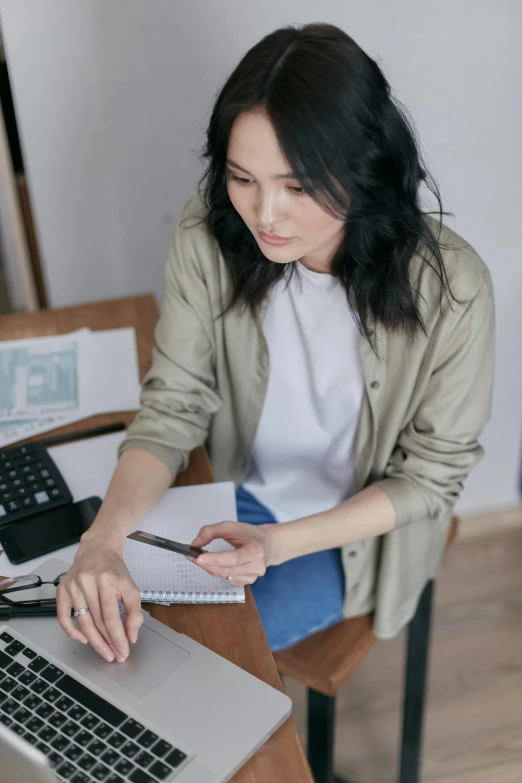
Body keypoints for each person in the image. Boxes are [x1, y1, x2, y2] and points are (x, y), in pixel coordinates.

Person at [57, 22, 495, 664]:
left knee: (189, 665)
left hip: (347, 537)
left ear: (364, 168)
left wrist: (276, 543)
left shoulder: (452, 289)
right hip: (229, 489)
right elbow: (174, 403)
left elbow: (430, 479)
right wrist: (102, 540)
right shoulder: (209, 235)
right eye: (242, 178)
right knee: (95, 624)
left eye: (298, 186)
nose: (264, 215)